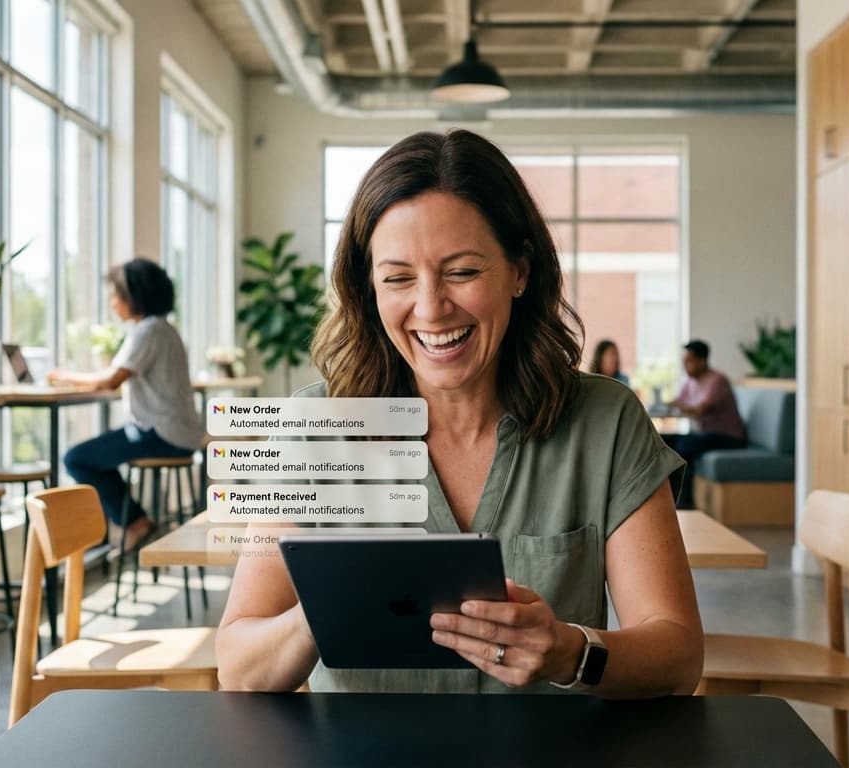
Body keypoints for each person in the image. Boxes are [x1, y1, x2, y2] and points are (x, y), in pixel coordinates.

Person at [216, 130, 703, 697]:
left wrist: (569, 652)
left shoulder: (606, 421)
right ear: (368, 288)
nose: (430, 307)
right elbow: (240, 668)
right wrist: (326, 608)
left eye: (463, 272)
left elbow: (678, 655)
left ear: (520, 271)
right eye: (398, 278)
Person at [46, 258, 202, 551]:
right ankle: (133, 520)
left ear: (135, 296)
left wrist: (61, 376)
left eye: (117, 294)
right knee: (89, 456)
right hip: (178, 432)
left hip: (162, 434)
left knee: (76, 459)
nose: (113, 302)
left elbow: (110, 380)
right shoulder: (164, 329)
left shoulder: (148, 331)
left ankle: (135, 521)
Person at [662, 340, 747, 509]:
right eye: (683, 361)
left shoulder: (717, 380)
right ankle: (665, 498)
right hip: (706, 435)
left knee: (684, 446)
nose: (685, 366)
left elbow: (699, 410)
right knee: (663, 441)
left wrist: (677, 405)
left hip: (729, 436)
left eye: (689, 361)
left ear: (702, 361)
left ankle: (685, 502)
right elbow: (679, 402)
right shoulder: (690, 381)